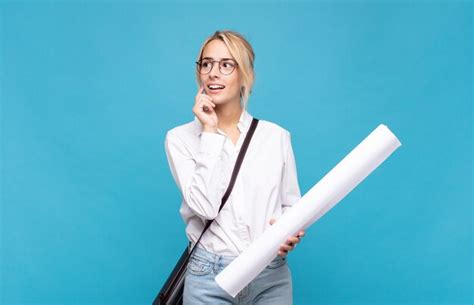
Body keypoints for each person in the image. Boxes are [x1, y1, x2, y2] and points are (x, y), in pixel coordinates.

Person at [164, 30, 305, 304]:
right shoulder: (179, 139)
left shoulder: (276, 136)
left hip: (270, 276)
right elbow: (205, 208)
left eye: (226, 65)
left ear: (245, 75)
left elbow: (292, 205)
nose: (213, 73)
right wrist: (210, 133)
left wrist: (290, 231)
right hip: (209, 277)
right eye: (207, 64)